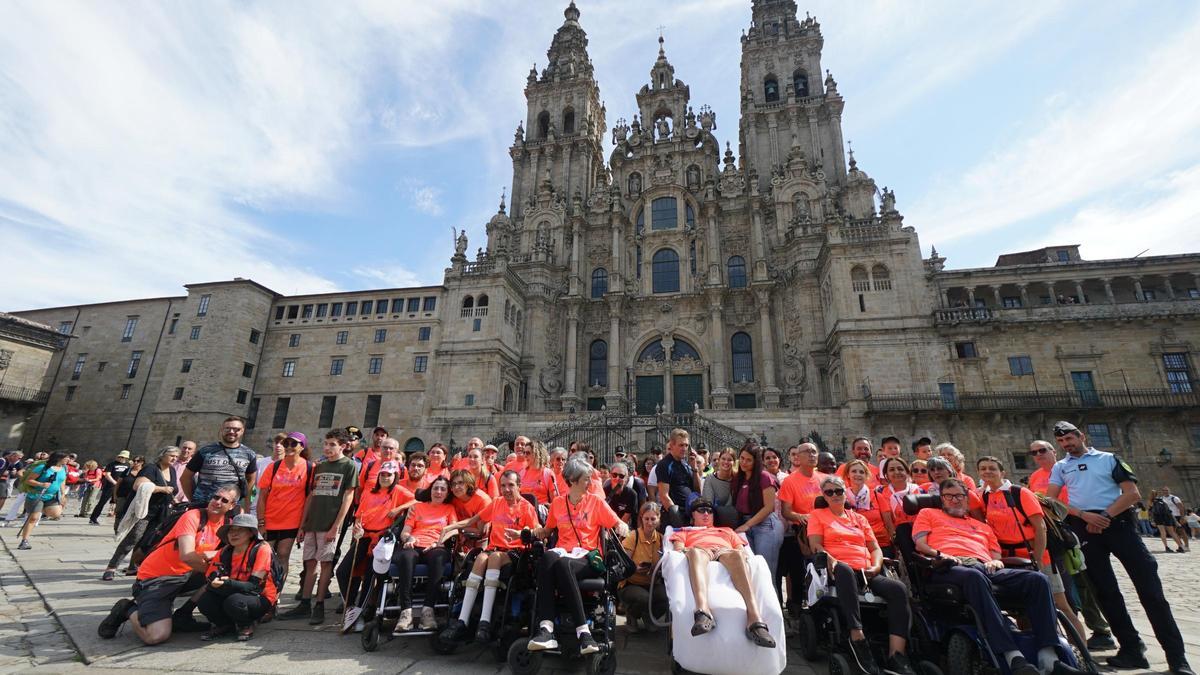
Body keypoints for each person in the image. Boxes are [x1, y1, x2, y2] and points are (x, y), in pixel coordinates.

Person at [1046, 421, 1194, 674]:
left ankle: (1177, 657)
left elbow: (1132, 493)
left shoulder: (1108, 459)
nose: (1066, 444)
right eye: (1061, 441)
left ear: (1081, 436)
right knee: (1105, 592)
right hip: (1085, 527)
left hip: (1119, 524)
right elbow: (1051, 500)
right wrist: (1084, 515)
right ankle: (1131, 649)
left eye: (1069, 438)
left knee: (1150, 591)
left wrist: (1105, 516)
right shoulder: (1061, 467)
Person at [913, 478, 1084, 675]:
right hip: (948, 567)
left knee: (1037, 580)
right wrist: (941, 555)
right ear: (941, 499)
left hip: (984, 566)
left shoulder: (982, 526)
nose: (955, 500)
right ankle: (1012, 656)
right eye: (949, 496)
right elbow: (920, 545)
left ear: (967, 499)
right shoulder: (928, 513)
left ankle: (1049, 656)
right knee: (973, 577)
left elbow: (994, 554)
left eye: (959, 496)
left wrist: (996, 561)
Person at [98, 484, 239, 644]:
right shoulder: (194, 517)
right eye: (216, 497)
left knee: (225, 571)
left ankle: (183, 616)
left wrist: (216, 556)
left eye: (224, 500)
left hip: (185, 575)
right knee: (155, 636)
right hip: (157, 577)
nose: (217, 502)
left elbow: (238, 552)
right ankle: (126, 608)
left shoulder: (227, 524)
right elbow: (186, 555)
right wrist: (214, 567)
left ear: (232, 505)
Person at [809, 476, 913, 675]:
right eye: (829, 492)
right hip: (837, 569)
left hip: (867, 571)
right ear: (824, 495)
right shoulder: (818, 515)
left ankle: (896, 654)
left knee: (898, 589)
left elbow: (875, 548)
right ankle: (857, 636)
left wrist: (875, 566)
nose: (834, 495)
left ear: (844, 493)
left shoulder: (859, 518)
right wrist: (831, 558)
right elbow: (815, 544)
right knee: (845, 570)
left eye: (838, 491)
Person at [976, 455, 1086, 641]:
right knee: (1020, 608)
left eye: (992, 468)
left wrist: (1038, 554)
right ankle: (1034, 643)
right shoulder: (985, 497)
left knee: (1060, 604)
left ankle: (1081, 649)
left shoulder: (1020, 493)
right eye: (983, 468)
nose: (987, 472)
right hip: (1009, 558)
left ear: (1002, 472)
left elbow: (1040, 526)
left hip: (1035, 554)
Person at [527, 455, 628, 655]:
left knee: (563, 564)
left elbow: (617, 523)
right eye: (585, 479)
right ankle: (546, 630)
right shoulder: (557, 503)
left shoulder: (596, 502)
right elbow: (548, 530)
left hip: (589, 557)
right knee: (547, 557)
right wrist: (538, 531)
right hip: (565, 551)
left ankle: (584, 633)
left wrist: (622, 526)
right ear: (572, 481)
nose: (590, 482)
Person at [1027, 439, 1115, 652]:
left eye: (1042, 450)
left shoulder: (1065, 470)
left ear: (1053, 451)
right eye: (1034, 453)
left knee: (1084, 579)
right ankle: (1075, 630)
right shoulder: (1035, 477)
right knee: (1066, 581)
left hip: (1074, 527)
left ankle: (1101, 630)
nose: (1038, 455)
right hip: (1054, 533)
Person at [440, 469, 539, 643]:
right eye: (503, 486)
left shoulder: (526, 507)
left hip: (516, 552)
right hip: (495, 549)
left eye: (511, 485)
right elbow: (473, 521)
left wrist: (522, 533)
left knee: (493, 557)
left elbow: (537, 530)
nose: (506, 489)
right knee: (480, 557)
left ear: (519, 486)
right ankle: (463, 620)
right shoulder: (497, 502)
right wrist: (450, 527)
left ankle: (484, 622)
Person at [670, 499, 776, 648]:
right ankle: (703, 611)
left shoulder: (727, 530)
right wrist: (694, 550)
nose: (706, 513)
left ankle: (754, 618)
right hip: (699, 550)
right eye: (701, 510)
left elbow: (742, 551)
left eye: (710, 511)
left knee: (738, 556)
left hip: (725, 551)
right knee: (695, 553)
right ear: (692, 515)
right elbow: (679, 550)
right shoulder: (684, 531)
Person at [278, 429, 358, 626]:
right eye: (326, 443)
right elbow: (311, 495)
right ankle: (305, 603)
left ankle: (320, 604)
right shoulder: (319, 466)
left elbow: (348, 498)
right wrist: (303, 525)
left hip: (328, 523)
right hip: (312, 523)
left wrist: (336, 526)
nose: (327, 448)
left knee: (325, 565)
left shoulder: (349, 466)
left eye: (332, 444)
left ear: (343, 446)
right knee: (309, 563)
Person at [342, 460, 414, 611]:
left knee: (370, 576)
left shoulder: (399, 491)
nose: (385, 477)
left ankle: (361, 609)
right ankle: (349, 605)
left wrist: (399, 508)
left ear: (395, 476)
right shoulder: (369, 491)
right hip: (365, 536)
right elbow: (359, 514)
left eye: (389, 475)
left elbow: (417, 500)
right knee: (343, 570)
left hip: (382, 539)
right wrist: (357, 525)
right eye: (382, 474)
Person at [197, 513, 277, 641]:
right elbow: (211, 574)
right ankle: (224, 625)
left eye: (240, 530)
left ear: (251, 533)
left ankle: (245, 625)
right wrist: (214, 580)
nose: (234, 534)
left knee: (234, 602)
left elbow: (254, 586)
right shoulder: (225, 551)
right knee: (205, 601)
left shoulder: (262, 549)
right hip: (233, 590)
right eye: (232, 531)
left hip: (259, 596)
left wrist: (228, 583)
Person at [104, 446, 179, 579]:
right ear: (162, 455)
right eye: (172, 455)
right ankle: (111, 567)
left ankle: (133, 567)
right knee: (133, 538)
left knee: (148, 541)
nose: (174, 458)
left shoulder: (172, 470)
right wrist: (162, 489)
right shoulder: (150, 468)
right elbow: (138, 485)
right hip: (145, 510)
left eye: (176, 456)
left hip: (161, 511)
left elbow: (172, 489)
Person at [392, 476, 456, 631]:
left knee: (438, 556)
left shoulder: (449, 509)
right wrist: (409, 538)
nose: (438, 492)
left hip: (436, 545)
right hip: (414, 543)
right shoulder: (417, 507)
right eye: (435, 488)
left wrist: (438, 543)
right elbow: (405, 531)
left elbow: (453, 530)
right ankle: (406, 612)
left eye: (442, 489)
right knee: (406, 556)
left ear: (447, 493)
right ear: (430, 490)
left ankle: (428, 611)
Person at [256, 432, 314, 584]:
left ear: (302, 447)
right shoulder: (273, 467)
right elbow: (262, 496)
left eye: (293, 444)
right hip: (270, 519)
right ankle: (262, 588)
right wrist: (261, 522)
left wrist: (302, 526)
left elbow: (309, 499)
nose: (288, 446)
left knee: (283, 555)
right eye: (286, 443)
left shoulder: (309, 468)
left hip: (291, 520)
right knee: (265, 556)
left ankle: (276, 591)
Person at [730, 443, 783, 581]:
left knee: (765, 573)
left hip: (765, 525)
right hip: (746, 525)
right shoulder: (738, 478)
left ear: (756, 461)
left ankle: (773, 602)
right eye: (742, 458)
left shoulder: (764, 477)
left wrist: (747, 525)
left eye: (748, 460)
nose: (743, 462)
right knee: (751, 572)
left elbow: (769, 507)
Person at [182, 416, 257, 512]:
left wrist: (247, 507)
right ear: (222, 429)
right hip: (202, 505)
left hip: (229, 508)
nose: (231, 431)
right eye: (228, 428)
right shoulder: (205, 451)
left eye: (236, 429)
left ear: (242, 431)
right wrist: (193, 499)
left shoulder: (249, 454)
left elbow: (251, 482)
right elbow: (185, 477)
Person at [620, 501, 666, 634]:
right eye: (646, 519)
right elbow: (624, 564)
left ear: (658, 519)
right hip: (631, 583)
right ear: (641, 519)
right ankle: (632, 614)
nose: (650, 523)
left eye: (653, 519)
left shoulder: (662, 539)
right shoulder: (632, 536)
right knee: (643, 598)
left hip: (652, 582)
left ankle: (648, 616)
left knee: (666, 597)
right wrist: (635, 568)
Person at [15, 452, 69, 550]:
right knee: (33, 518)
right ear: (58, 458)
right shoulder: (42, 468)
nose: (68, 460)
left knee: (56, 514)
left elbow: (62, 482)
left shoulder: (63, 469)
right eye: (66, 458)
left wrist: (63, 495)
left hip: (52, 496)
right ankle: (24, 541)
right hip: (37, 495)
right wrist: (41, 484)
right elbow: (28, 480)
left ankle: (40, 509)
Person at [837, 459, 891, 557]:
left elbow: (889, 524)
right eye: (854, 471)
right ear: (848, 475)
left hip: (881, 544)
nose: (858, 474)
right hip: (855, 546)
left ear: (866, 476)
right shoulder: (842, 498)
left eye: (861, 472)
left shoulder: (877, 496)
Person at [655, 429, 701, 527]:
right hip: (674, 518)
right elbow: (664, 496)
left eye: (686, 445)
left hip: (690, 515)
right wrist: (676, 516)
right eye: (681, 445)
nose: (684, 448)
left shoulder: (686, 465)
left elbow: (698, 490)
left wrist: (695, 469)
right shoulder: (664, 465)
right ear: (671, 446)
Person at [876, 457, 920, 554]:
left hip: (921, 533)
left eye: (900, 469)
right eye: (892, 470)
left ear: (907, 472)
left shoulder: (919, 490)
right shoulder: (882, 494)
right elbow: (888, 523)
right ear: (886, 475)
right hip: (900, 537)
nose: (897, 472)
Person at [90, 450, 133, 524]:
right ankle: (93, 518)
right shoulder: (112, 464)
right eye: (120, 456)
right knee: (102, 502)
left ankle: (119, 520)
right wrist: (115, 483)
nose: (121, 458)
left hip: (122, 487)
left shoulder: (128, 465)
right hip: (110, 486)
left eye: (124, 457)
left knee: (120, 503)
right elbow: (107, 474)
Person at [701, 447, 739, 528]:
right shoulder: (710, 478)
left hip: (732, 520)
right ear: (719, 460)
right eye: (723, 459)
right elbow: (708, 503)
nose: (726, 462)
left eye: (729, 460)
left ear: (734, 462)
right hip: (714, 520)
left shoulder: (737, 479)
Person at [606, 461, 642, 526]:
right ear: (610, 476)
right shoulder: (604, 491)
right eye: (614, 475)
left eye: (621, 476)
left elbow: (625, 520)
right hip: (607, 526)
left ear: (626, 478)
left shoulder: (631, 494)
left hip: (623, 527)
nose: (617, 478)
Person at [1158, 487, 1190, 552]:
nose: (1165, 492)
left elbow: (1181, 508)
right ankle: (1181, 546)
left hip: (1177, 516)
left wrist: (1182, 517)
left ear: (1169, 491)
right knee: (1174, 533)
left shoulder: (1174, 498)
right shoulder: (1161, 499)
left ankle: (1187, 546)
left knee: (1182, 531)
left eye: (1166, 490)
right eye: (1164, 490)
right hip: (1168, 517)